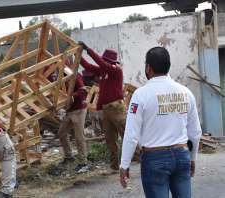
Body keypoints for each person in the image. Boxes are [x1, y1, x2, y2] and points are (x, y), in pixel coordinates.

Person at [120, 47, 202, 198]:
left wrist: (124, 165)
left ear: (148, 68)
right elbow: (195, 133)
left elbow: (131, 135)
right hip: (182, 155)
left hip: (154, 159)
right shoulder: (186, 92)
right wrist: (192, 158)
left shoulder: (140, 95)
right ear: (168, 66)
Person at [79, 41, 126, 171]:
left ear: (110, 61)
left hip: (116, 108)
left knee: (126, 134)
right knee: (110, 139)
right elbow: (88, 66)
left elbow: (100, 63)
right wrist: (77, 56)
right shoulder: (104, 71)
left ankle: (140, 159)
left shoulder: (115, 70)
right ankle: (115, 166)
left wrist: (88, 49)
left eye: (104, 60)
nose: (102, 61)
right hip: (106, 109)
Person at [58, 73, 89, 172]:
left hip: (79, 110)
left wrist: (71, 96)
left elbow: (83, 90)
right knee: (61, 133)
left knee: (79, 137)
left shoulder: (76, 75)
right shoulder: (61, 77)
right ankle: (69, 156)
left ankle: (83, 163)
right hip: (69, 110)